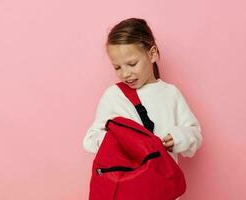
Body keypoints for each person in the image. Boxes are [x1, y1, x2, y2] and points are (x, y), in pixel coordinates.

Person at [83, 17, 202, 164]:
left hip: (163, 182)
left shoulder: (170, 93)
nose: (125, 74)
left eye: (132, 64)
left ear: (152, 54)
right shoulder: (114, 95)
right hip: (128, 183)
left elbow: (194, 133)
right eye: (117, 67)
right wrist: (121, 142)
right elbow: (90, 139)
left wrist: (178, 138)